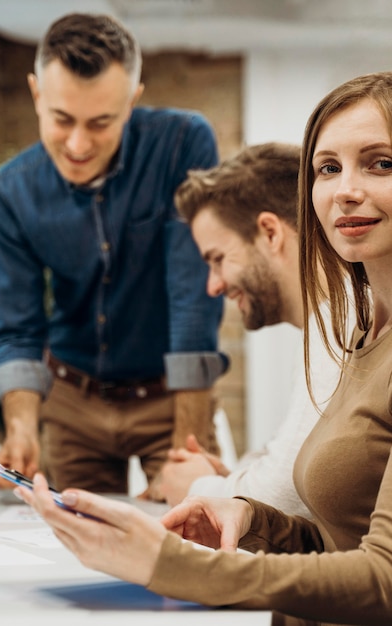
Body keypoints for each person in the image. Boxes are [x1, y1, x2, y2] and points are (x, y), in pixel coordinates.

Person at [16, 70, 392, 625]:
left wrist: (167, 564)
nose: (345, 189)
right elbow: (344, 543)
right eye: (328, 168)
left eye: (380, 163)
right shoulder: (369, 338)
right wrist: (250, 518)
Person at [0, 12, 226, 497]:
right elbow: (19, 326)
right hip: (72, 401)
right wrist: (23, 427)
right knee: (73, 554)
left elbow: (192, 298)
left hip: (169, 398)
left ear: (132, 101)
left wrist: (187, 444)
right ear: (36, 94)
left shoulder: (183, 143)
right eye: (61, 119)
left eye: (101, 122)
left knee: (193, 540)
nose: (77, 144)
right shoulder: (10, 191)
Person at [156, 142, 342, 515]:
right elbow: (292, 462)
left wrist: (194, 486)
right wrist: (233, 479)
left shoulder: (345, 324)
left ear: (270, 233)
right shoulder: (330, 323)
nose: (213, 286)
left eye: (218, 259)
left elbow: (285, 496)